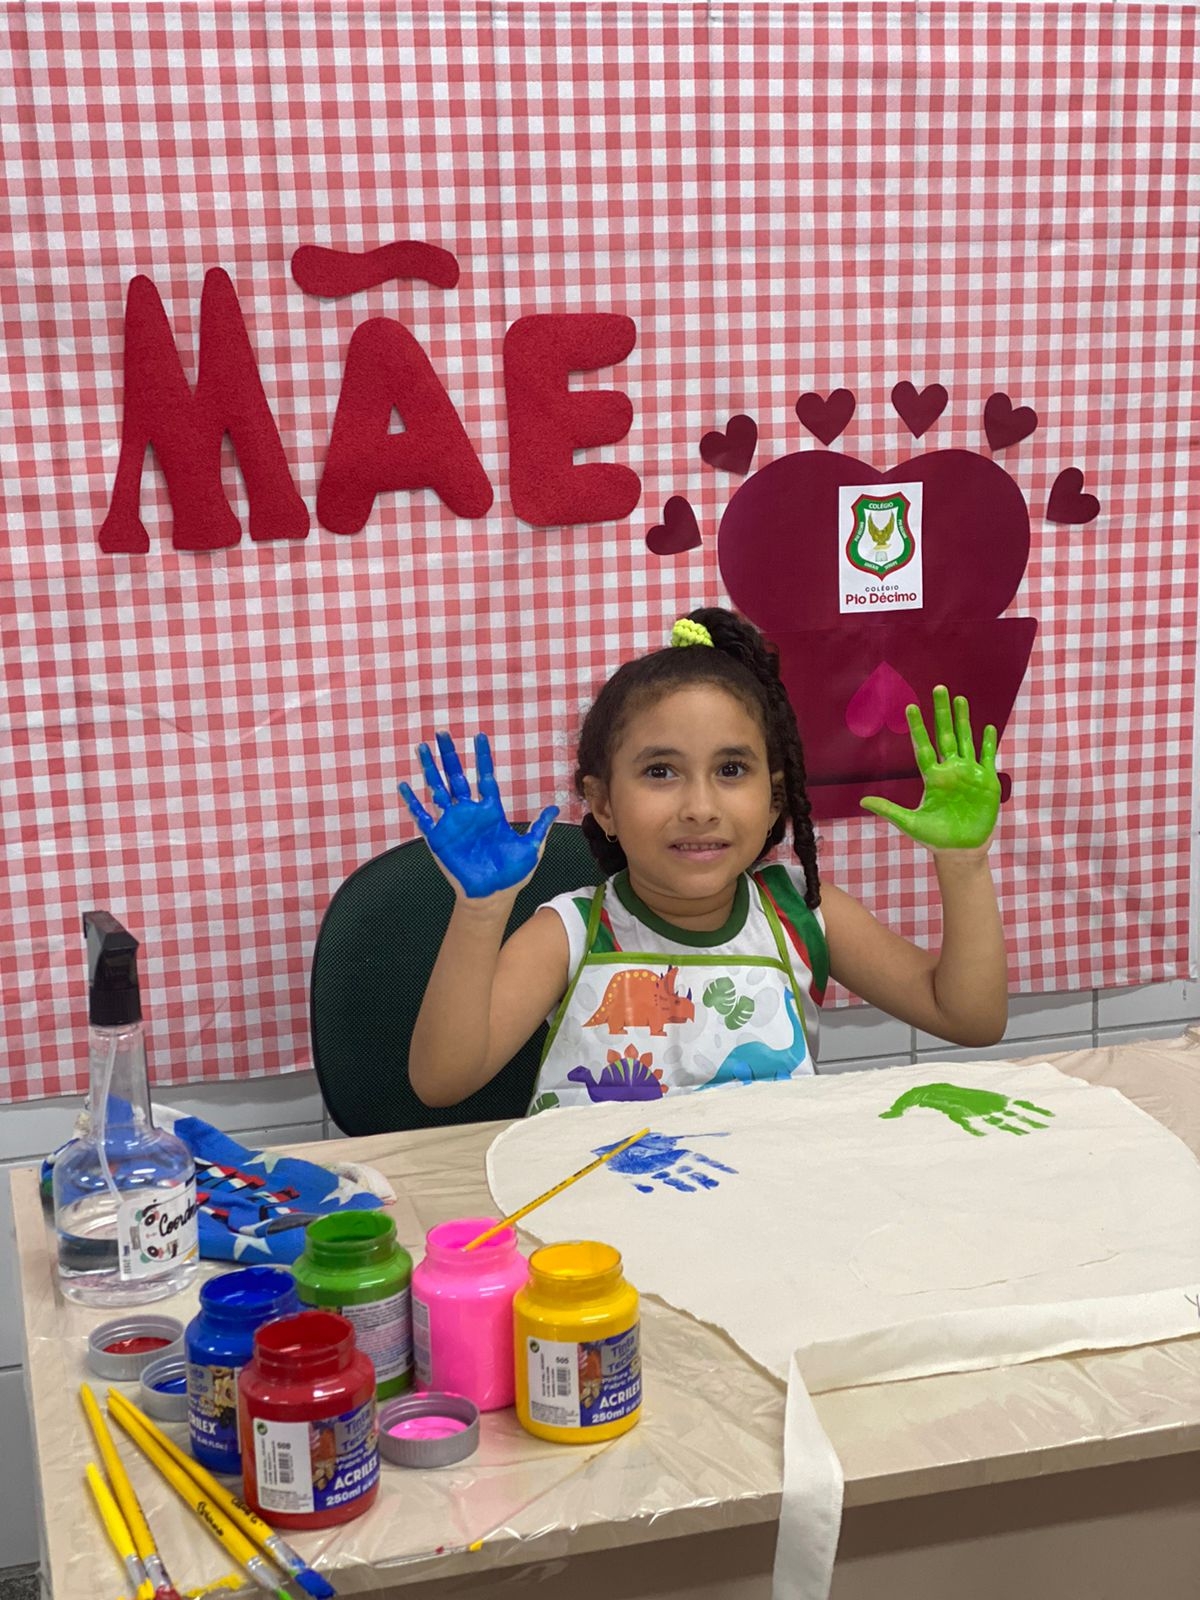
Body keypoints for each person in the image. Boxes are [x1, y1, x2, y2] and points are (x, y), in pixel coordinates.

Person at [399, 608, 1007, 1112]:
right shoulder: (569, 935)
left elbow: (971, 1019)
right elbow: (441, 1082)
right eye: (661, 772)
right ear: (603, 804)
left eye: (731, 770)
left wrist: (963, 864)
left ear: (773, 801)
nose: (700, 807)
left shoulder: (802, 914)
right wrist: (481, 911)